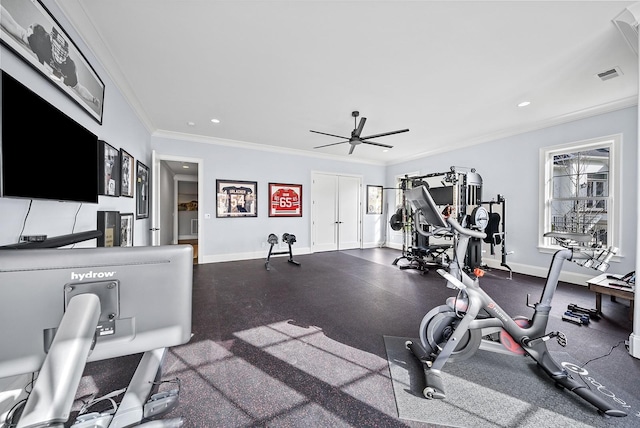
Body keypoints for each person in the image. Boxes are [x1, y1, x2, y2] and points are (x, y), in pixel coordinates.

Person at [1, 5, 101, 108]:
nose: (59, 53)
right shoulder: (41, 41)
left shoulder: (70, 69)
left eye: (62, 50)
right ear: (51, 41)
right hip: (38, 65)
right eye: (57, 47)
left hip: (47, 85)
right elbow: (18, 30)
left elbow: (78, 88)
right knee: (21, 35)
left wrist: (93, 99)